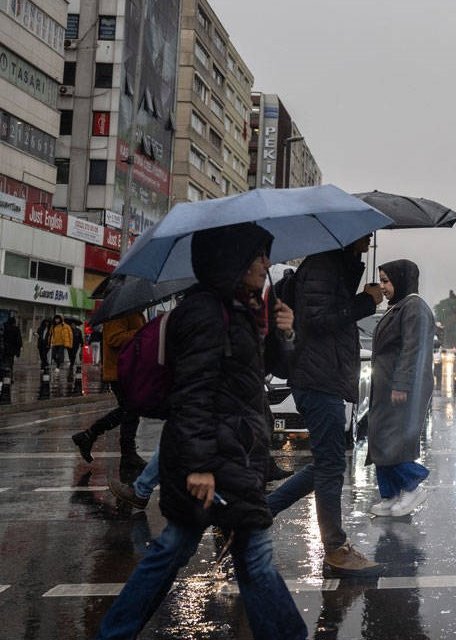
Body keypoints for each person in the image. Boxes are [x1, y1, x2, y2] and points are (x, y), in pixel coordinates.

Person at [94, 222, 306, 640]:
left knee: (179, 550)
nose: (266, 264)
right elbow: (193, 395)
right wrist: (199, 466)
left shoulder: (240, 308)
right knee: (239, 556)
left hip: (233, 457)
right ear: (233, 259)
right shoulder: (206, 313)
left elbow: (270, 370)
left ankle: (114, 632)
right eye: (259, 255)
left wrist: (285, 331)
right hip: (212, 461)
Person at [266, 235, 384, 577]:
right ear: (348, 232)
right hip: (317, 379)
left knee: (326, 465)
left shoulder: (335, 265)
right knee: (329, 466)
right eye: (367, 232)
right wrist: (364, 301)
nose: (370, 239)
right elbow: (318, 321)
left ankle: (259, 513)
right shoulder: (323, 266)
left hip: (323, 377)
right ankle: (334, 548)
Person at [367, 260, 435, 518]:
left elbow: (412, 349)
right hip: (387, 386)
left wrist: (402, 384)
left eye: (386, 280)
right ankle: (391, 494)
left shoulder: (414, 307)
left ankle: (411, 485)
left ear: (401, 279)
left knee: (390, 441)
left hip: (401, 388)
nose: (383, 287)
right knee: (380, 437)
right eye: (381, 281)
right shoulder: (399, 307)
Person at [71, 313, 147, 472]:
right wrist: (140, 333)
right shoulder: (118, 314)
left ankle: (89, 436)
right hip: (119, 370)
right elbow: (114, 338)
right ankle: (127, 454)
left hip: (131, 369)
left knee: (130, 410)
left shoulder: (135, 311)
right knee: (131, 409)